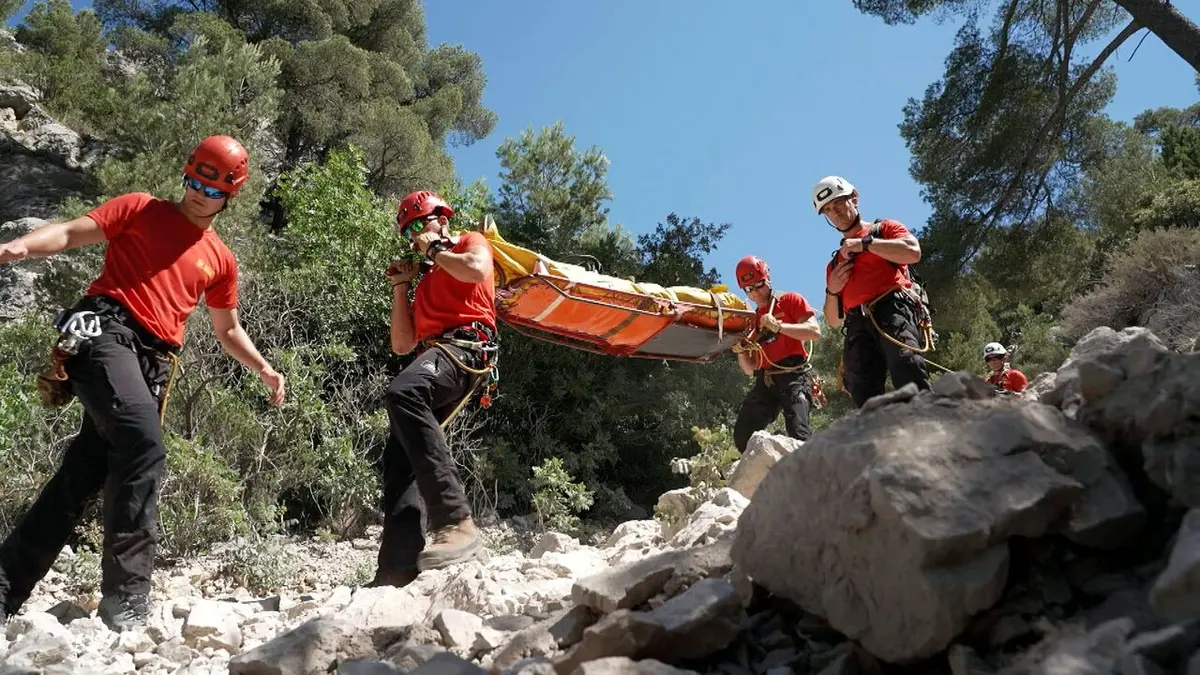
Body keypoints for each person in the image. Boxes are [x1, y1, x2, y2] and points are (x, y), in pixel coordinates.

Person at [0, 135, 287, 631]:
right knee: (143, 443)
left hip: (151, 362)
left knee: (82, 476)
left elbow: (228, 329)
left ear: (230, 194)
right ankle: (126, 599)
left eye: (213, 188)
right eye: (196, 180)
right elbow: (70, 233)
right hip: (102, 330)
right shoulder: (140, 209)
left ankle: (4, 587)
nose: (200, 193)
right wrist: (23, 245)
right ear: (186, 174)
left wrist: (263, 367)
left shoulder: (219, 260)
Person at [370, 190, 499, 588]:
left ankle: (456, 523)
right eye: (409, 230)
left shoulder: (467, 245)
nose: (414, 235)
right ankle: (398, 565)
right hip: (435, 354)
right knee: (398, 455)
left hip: (467, 346)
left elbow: (476, 271)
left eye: (419, 224)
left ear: (441, 219)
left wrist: (438, 251)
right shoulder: (426, 280)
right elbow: (402, 344)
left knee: (403, 393)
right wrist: (402, 286)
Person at [813, 175, 931, 408]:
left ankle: (935, 425)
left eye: (838, 203)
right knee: (861, 388)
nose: (834, 212)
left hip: (893, 308)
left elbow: (912, 252)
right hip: (857, 324)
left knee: (906, 364)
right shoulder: (834, 265)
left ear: (854, 199)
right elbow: (834, 320)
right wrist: (832, 290)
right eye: (827, 210)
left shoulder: (884, 229)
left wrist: (865, 244)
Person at [731, 255, 821, 452]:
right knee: (742, 435)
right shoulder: (752, 320)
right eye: (749, 289)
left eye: (759, 284)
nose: (755, 292)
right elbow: (749, 369)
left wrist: (779, 326)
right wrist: (740, 351)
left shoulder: (789, 300)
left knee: (799, 431)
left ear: (767, 278)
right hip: (766, 379)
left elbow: (814, 331)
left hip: (794, 373)